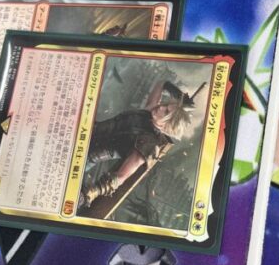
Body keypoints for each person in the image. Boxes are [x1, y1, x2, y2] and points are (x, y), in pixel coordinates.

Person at [78, 80, 201, 214]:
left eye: (166, 112)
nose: (160, 107)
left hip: (83, 156)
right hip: (84, 132)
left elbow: (120, 177)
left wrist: (92, 192)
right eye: (165, 105)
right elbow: (161, 84)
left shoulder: (149, 143)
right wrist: (179, 96)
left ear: (168, 124)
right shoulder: (149, 112)